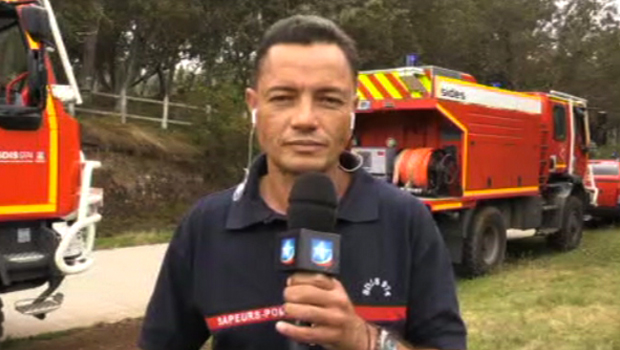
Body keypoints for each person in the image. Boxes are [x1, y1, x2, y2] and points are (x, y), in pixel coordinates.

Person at [138, 14, 467, 350]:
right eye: (283, 98)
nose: (305, 120)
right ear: (254, 107)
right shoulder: (205, 226)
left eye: (328, 100)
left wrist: (364, 338)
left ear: (353, 111)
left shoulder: (406, 220)